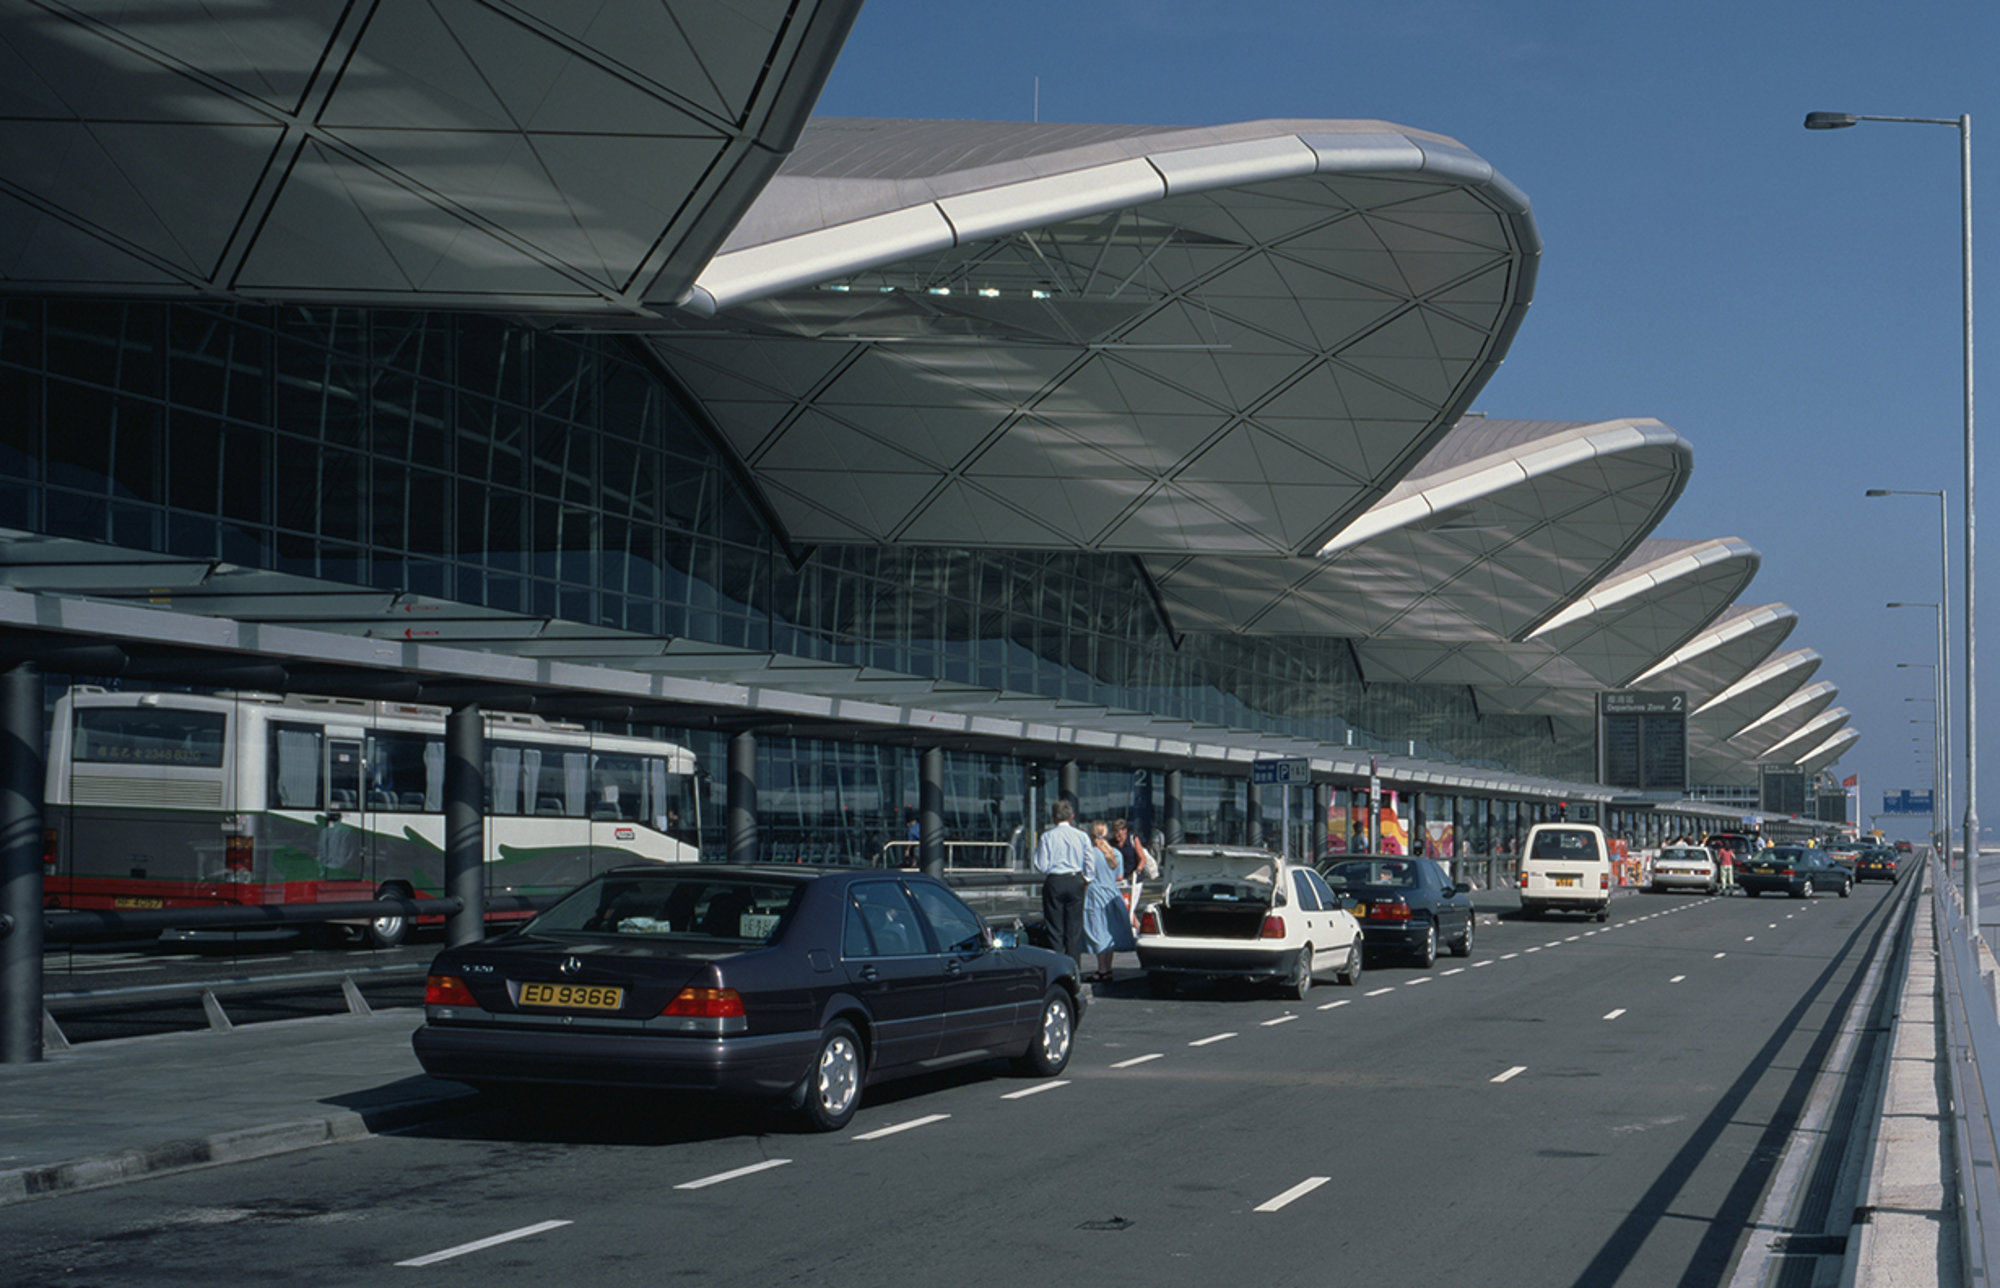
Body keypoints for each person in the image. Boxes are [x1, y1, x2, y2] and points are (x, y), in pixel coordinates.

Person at [1032, 800, 1092, 967]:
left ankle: (1058, 966)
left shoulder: (1047, 836)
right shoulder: (1082, 836)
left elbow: (1041, 865)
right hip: (1075, 879)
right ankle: (1074, 968)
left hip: (1055, 880)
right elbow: (1089, 861)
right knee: (1074, 929)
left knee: (1054, 928)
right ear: (1071, 817)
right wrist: (1086, 879)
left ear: (1053, 818)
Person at [1083, 820, 1136, 982]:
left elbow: (1086, 874)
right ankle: (1108, 968)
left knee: (1098, 931)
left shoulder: (1089, 853)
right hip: (1112, 893)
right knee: (1110, 930)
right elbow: (1119, 876)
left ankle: (1101, 969)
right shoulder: (1115, 853)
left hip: (1095, 893)